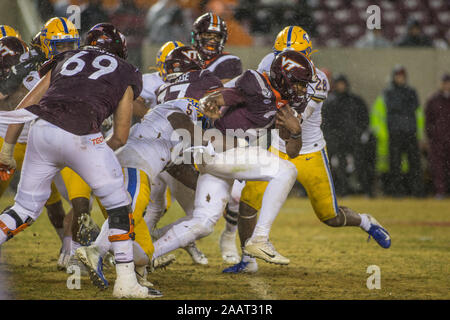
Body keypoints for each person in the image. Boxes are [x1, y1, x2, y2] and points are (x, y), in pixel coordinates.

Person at [0, 23, 159, 299]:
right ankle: (126, 282)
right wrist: (97, 156)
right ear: (120, 50)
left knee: (24, 208)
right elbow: (121, 136)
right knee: (120, 206)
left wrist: (7, 150)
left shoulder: (64, 58)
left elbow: (26, 105)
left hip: (41, 129)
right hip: (83, 134)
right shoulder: (126, 71)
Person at [223, 26, 391, 275]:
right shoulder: (268, 63)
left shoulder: (318, 81)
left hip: (308, 150)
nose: (284, 62)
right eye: (281, 56)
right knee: (248, 203)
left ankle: (366, 221)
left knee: (330, 216)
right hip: (276, 149)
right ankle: (248, 259)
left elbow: (291, 127)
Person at [150, 50, 310, 267]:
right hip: (219, 148)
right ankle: (260, 239)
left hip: (222, 157)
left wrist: (296, 131)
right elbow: (221, 96)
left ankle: (142, 255)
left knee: (203, 223)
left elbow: (292, 150)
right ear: (283, 77)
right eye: (298, 83)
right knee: (286, 171)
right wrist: (211, 102)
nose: (301, 89)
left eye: (303, 85)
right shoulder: (256, 83)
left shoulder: (288, 104)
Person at [0, 20, 77, 270]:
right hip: (10, 139)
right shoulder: (29, 66)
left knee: (61, 200)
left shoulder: (48, 65)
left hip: (36, 142)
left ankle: (70, 249)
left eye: (69, 44)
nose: (65, 50)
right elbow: (13, 106)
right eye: (59, 45)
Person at [191, 12, 245, 263]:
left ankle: (229, 234)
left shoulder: (229, 61)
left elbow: (219, 96)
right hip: (187, 130)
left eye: (216, 36)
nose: (211, 41)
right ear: (196, 37)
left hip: (221, 131)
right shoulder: (186, 57)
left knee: (235, 193)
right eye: (207, 35)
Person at [322, 74, 372, 196]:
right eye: (339, 84)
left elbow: (364, 118)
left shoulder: (355, 101)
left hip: (354, 140)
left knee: (360, 163)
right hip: (338, 141)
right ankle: (343, 191)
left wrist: (360, 133)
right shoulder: (330, 102)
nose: (341, 86)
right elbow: (325, 123)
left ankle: (366, 190)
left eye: (343, 83)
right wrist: (332, 138)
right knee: (340, 166)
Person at [382, 65, 424, 197]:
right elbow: (394, 106)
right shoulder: (389, 92)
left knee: (415, 164)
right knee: (395, 164)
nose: (400, 78)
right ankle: (396, 192)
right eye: (398, 76)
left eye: (402, 76)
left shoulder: (411, 91)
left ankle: (416, 191)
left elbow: (414, 106)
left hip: (410, 132)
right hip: (395, 133)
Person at [425, 73, 450, 198]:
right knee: (438, 167)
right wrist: (432, 135)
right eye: (445, 82)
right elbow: (428, 120)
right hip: (438, 140)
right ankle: (441, 191)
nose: (447, 85)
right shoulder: (433, 100)